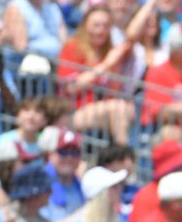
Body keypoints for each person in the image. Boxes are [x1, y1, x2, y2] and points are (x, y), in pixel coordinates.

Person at [56, 5, 135, 145]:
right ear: (85, 26)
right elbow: (71, 87)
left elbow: (114, 91)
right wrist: (105, 65)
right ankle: (124, 156)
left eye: (105, 26)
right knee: (118, 108)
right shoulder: (72, 47)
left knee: (128, 109)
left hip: (103, 110)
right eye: (96, 25)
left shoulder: (108, 51)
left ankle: (119, 157)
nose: (101, 30)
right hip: (73, 113)